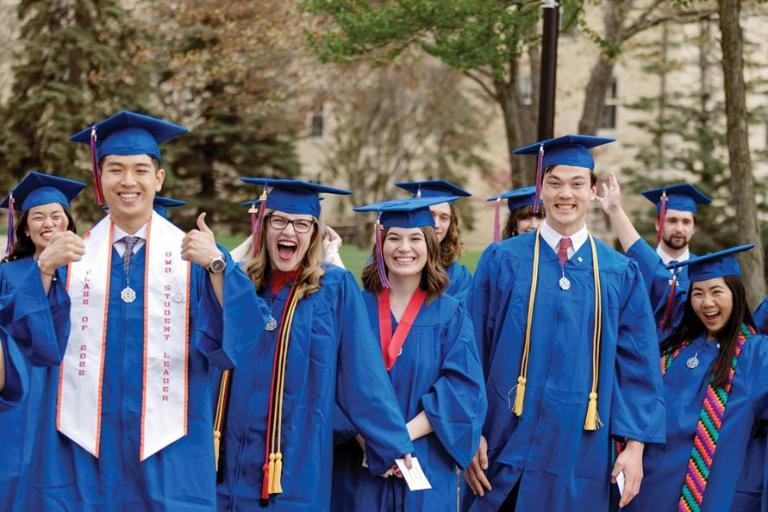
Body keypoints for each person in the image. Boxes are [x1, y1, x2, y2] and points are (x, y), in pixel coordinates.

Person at [4, 111, 266, 511]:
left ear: (158, 179)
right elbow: (30, 346)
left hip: (170, 449)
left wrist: (217, 267)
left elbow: (237, 342)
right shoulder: (69, 258)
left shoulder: (195, 257)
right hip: (78, 450)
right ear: (100, 179)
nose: (128, 181)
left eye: (141, 170)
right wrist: (42, 270)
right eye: (115, 170)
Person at [463, 135, 665, 511]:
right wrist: (471, 430)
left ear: (593, 191)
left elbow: (637, 366)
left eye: (576, 184)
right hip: (502, 444)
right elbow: (472, 349)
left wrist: (635, 447)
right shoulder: (502, 260)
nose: (565, 194)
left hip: (578, 452)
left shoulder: (619, 272)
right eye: (554, 182)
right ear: (540, 189)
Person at [215, 178, 414, 511]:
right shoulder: (239, 283)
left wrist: (391, 442)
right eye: (278, 220)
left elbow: (361, 372)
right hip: (227, 457)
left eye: (301, 224)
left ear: (315, 233)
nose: (288, 231)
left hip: (296, 457)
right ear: (263, 227)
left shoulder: (334, 288)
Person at [332, 197, 486, 511]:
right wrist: (373, 441)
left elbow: (461, 390)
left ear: (430, 245)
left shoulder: (451, 314)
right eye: (394, 238)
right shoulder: (353, 309)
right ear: (380, 244)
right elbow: (333, 385)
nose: (404, 248)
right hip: (359, 465)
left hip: (423, 460)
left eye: (415, 238)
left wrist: (396, 440)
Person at [623, 244, 768, 512]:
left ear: (735, 294)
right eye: (698, 293)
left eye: (716, 292)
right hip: (643, 494)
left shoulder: (755, 354)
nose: (707, 302)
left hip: (704, 498)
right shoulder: (674, 347)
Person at [0, 171, 86, 511]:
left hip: (77, 384)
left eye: (56, 215)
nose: (47, 223)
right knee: (19, 470)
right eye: (37, 217)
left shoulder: (87, 270)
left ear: (68, 222)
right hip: (28, 388)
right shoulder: (7, 274)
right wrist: (43, 272)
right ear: (24, 228)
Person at [599, 177, 711, 335]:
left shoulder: (705, 272)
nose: (679, 229)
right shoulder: (631, 269)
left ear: (694, 227)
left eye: (686, 222)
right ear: (658, 224)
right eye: (672, 221)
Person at [395, 180, 473, 302]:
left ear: (450, 224)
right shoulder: (391, 262)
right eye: (430, 215)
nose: (436, 224)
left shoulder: (459, 277)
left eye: (444, 217)